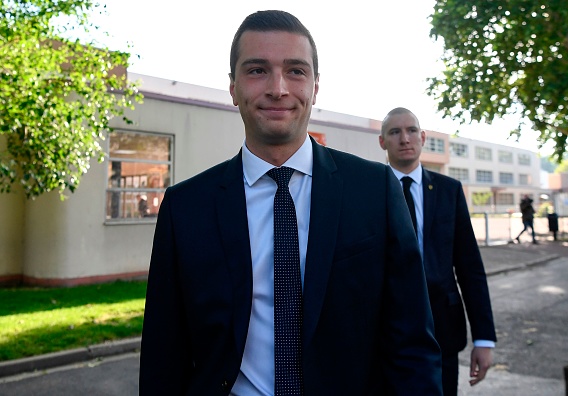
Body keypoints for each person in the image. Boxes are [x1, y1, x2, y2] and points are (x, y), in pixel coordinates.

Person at [139, 11, 442, 396]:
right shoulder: (185, 208)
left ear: (316, 87)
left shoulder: (376, 191)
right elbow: (163, 356)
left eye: (296, 71)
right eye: (257, 70)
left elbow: (412, 341)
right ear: (232, 87)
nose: (278, 88)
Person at [379, 107, 497, 396]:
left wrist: (484, 338)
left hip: (442, 329)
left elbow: (470, 267)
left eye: (411, 131)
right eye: (394, 132)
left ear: (422, 137)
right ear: (382, 141)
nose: (404, 138)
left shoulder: (449, 190)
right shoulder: (368, 189)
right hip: (384, 333)